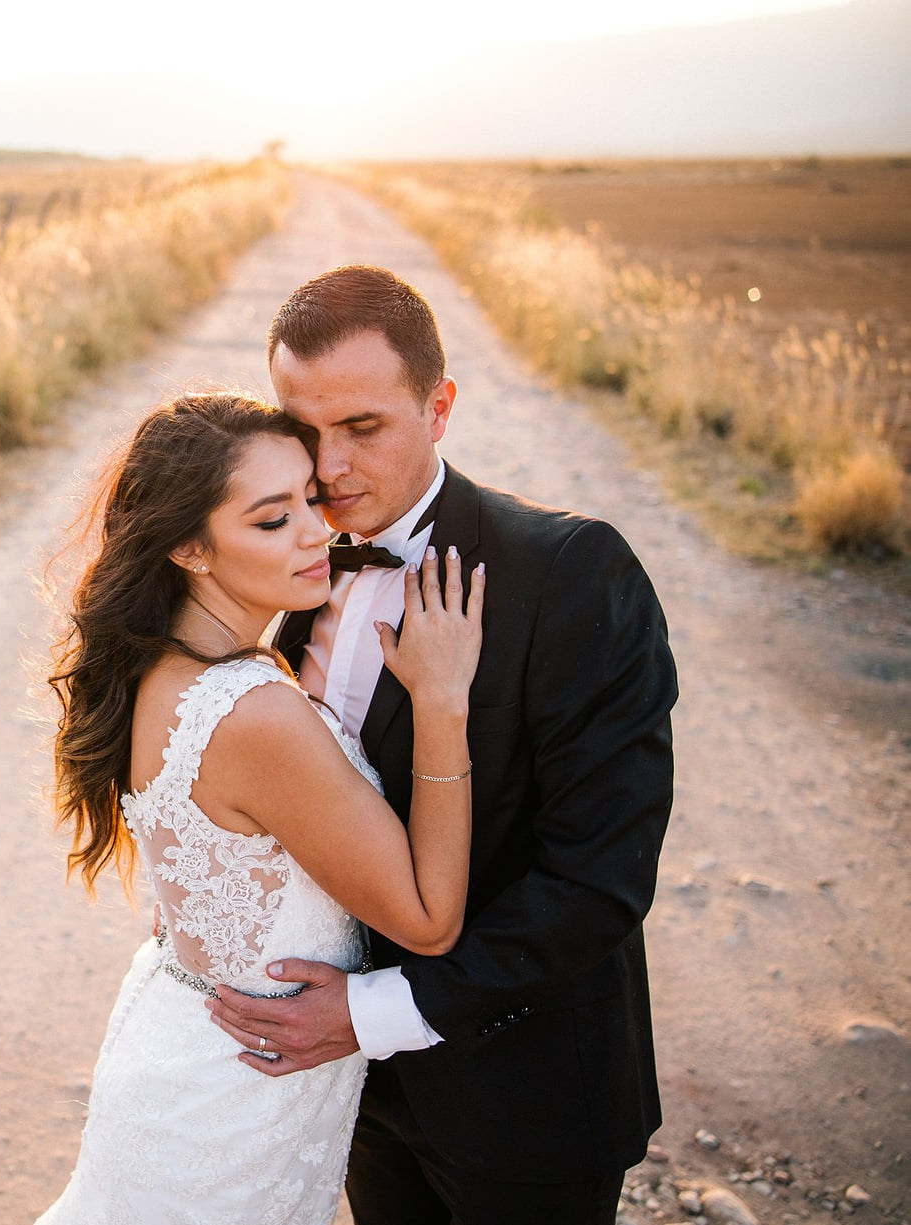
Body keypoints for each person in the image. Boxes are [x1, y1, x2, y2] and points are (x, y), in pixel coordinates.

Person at [207, 264, 678, 1223]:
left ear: (440, 406)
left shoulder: (572, 573)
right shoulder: (297, 563)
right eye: (305, 430)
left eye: (364, 427)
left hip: (524, 1097)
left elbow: (599, 880)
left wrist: (370, 1014)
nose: (328, 469)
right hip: (351, 1098)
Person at [36, 392, 485, 1222]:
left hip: (184, 1051)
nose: (318, 531)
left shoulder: (158, 669)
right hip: (230, 1108)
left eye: (310, 499)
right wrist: (442, 701)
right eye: (272, 520)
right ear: (190, 548)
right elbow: (427, 919)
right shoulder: (256, 712)